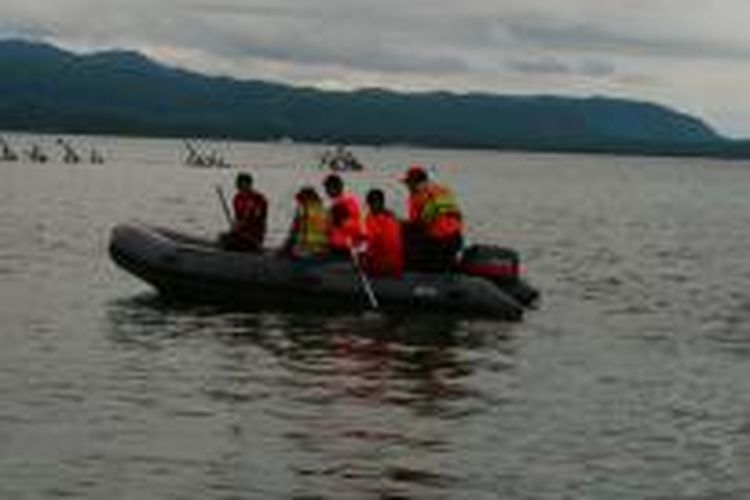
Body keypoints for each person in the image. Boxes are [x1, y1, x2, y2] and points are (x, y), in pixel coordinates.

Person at [401, 165, 464, 272]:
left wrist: (399, 224)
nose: (407, 186)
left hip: (437, 243)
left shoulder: (417, 197)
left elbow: (417, 225)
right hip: (456, 239)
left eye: (409, 183)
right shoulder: (443, 190)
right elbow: (456, 215)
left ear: (415, 183)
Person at [363, 188, 404, 277]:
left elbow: (371, 243)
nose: (370, 207)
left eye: (370, 204)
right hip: (396, 267)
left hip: (381, 267)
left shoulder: (373, 219)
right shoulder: (392, 218)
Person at [222, 172, 268, 251]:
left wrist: (243, 224)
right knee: (224, 238)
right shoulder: (237, 198)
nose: (242, 188)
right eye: (240, 185)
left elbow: (257, 219)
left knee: (237, 242)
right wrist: (235, 226)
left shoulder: (259, 199)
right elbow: (238, 218)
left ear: (249, 185)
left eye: (244, 185)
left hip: (253, 235)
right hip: (240, 233)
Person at [281, 186, 329, 257]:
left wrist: (283, 250)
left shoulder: (302, 210)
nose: (298, 204)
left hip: (305, 251)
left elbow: (294, 233)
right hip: (322, 250)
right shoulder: (324, 210)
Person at [323, 173, 364, 257]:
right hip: (354, 244)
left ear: (333, 188)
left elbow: (330, 228)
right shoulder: (352, 201)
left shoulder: (338, 205)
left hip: (342, 247)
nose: (326, 192)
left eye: (327, 188)